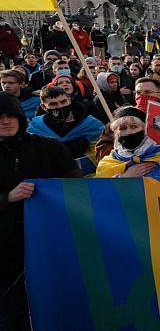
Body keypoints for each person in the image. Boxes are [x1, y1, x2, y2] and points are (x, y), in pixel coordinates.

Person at [0, 93, 81, 330]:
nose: (5, 121)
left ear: (20, 118)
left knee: (57, 305)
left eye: (10, 116)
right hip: (4, 253)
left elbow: (74, 184)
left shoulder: (49, 147)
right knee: (10, 315)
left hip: (49, 244)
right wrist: (7, 198)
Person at [28, 86, 105, 175]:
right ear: (43, 107)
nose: (60, 106)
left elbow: (104, 153)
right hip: (53, 179)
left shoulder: (92, 125)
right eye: (53, 104)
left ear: (69, 100)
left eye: (63, 102)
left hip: (88, 176)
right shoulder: (35, 128)